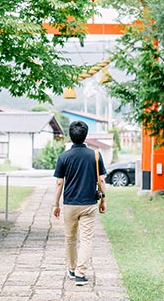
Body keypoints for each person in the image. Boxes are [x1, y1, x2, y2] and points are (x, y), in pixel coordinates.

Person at [52, 121, 107, 286]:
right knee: (86, 239)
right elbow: (101, 180)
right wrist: (103, 200)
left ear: (70, 136)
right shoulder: (95, 155)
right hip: (89, 204)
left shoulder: (64, 157)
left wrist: (56, 204)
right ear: (85, 136)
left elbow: (59, 183)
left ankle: (71, 269)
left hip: (70, 204)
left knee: (70, 238)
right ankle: (80, 274)